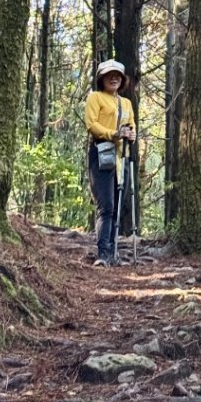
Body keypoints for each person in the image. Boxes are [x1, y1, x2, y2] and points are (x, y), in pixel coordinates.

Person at [85, 58, 136, 267]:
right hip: (100, 152)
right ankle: (103, 253)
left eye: (117, 75)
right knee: (105, 205)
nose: (114, 78)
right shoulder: (95, 98)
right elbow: (91, 124)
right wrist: (113, 133)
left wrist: (130, 134)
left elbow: (131, 125)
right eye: (109, 75)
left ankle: (113, 251)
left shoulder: (126, 103)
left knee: (116, 206)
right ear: (102, 78)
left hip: (119, 157)